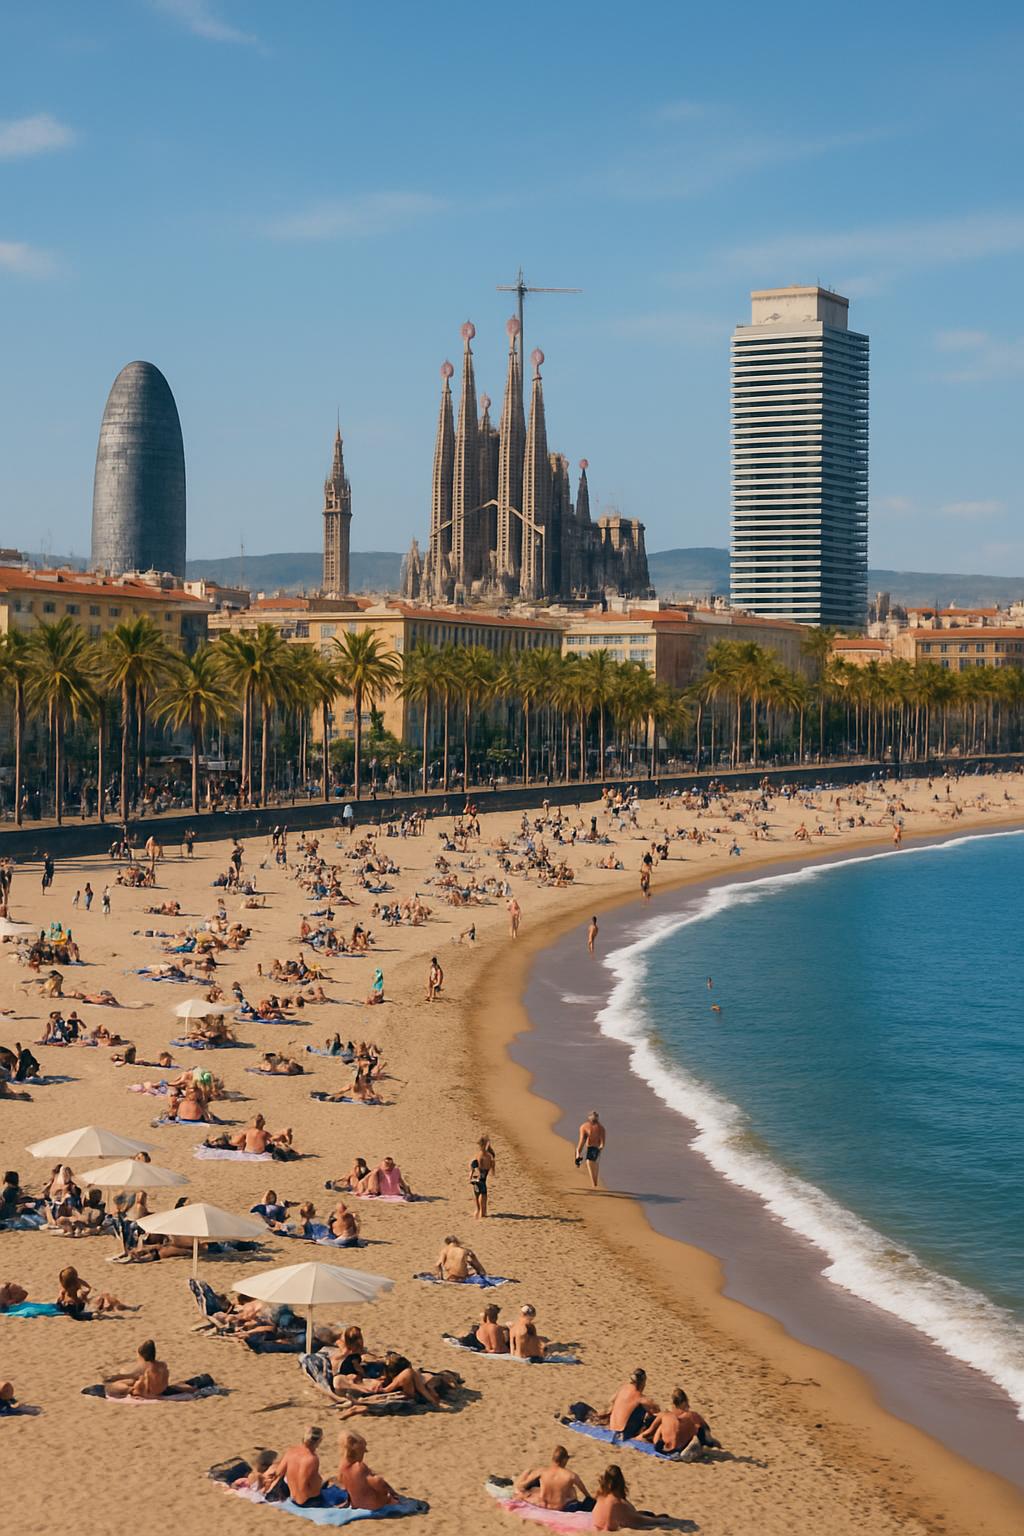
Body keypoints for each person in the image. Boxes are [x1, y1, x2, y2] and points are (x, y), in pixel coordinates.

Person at [639, 1387, 721, 1459]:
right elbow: (706, 1428)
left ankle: (663, 1445)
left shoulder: (664, 1414)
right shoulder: (692, 1415)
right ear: (684, 1402)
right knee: (698, 1428)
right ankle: (698, 1446)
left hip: (662, 1449)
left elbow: (648, 1432)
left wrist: (636, 1438)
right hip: (680, 1447)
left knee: (661, 1428)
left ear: (673, 1403)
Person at [514, 1445, 592, 1513]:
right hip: (559, 1507)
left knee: (535, 1489)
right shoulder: (571, 1476)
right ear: (564, 1460)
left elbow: (521, 1486)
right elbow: (587, 1495)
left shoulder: (542, 1471)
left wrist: (526, 1492)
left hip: (544, 1505)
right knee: (572, 1491)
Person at [265, 1425, 330, 1507]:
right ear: (319, 1440)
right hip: (306, 1501)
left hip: (292, 1495)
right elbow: (302, 1484)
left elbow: (278, 1473)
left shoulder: (291, 1451)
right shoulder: (312, 1458)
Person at [335, 1431, 399, 1510]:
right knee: (388, 1493)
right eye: (363, 1450)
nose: (365, 1452)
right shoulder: (360, 1467)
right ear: (357, 1451)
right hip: (372, 1505)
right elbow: (377, 1483)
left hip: (355, 1504)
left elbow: (343, 1484)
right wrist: (388, 1491)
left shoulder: (342, 1465)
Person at [592, 1464, 655, 1531]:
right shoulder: (619, 1503)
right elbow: (641, 1520)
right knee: (661, 1517)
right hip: (616, 1523)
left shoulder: (600, 1497)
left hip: (598, 1524)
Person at [105, 1339, 172, 1398]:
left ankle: (128, 1388)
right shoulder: (163, 1365)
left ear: (142, 1356)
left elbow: (146, 1387)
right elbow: (165, 1382)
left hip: (146, 1393)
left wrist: (134, 1388)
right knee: (131, 1380)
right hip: (160, 1391)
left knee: (112, 1386)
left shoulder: (147, 1368)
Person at [607, 1369, 658, 1439]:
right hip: (624, 1432)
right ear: (643, 1382)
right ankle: (641, 1434)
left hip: (611, 1427)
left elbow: (611, 1400)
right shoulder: (640, 1397)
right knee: (645, 1411)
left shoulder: (623, 1388)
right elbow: (656, 1411)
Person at [575, 1109, 606, 1189]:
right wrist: (578, 1154)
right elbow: (581, 1141)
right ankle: (594, 1184)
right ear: (589, 1118)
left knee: (590, 1163)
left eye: (595, 1118)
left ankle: (594, 1184)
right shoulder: (584, 1127)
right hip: (588, 1147)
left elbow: (602, 1142)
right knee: (591, 1163)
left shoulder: (601, 1128)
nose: (594, 1120)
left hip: (596, 1148)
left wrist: (600, 1148)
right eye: (593, 1118)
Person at [469, 1135, 496, 1219]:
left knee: (477, 1195)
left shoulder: (479, 1156)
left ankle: (478, 1211)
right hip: (482, 1178)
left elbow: (474, 1169)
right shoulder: (489, 1157)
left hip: (477, 1178)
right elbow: (492, 1171)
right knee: (483, 1195)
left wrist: (471, 1176)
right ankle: (482, 1212)